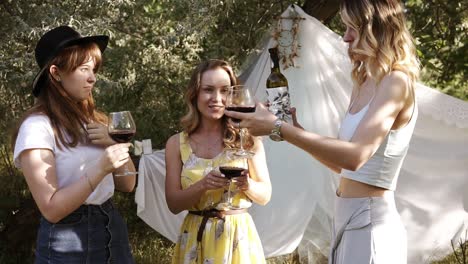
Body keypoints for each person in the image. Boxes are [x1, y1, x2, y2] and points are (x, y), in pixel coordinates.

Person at [225, 0, 419, 263]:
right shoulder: (363, 82)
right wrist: (296, 132)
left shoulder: (396, 82)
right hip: (346, 218)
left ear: (377, 30)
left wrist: (278, 128)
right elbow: (345, 167)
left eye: (353, 29)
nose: (346, 37)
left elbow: (356, 156)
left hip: (372, 224)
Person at [12, 26, 136, 263]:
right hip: (67, 238)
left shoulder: (95, 121)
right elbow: (51, 209)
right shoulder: (37, 127)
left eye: (94, 69)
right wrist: (101, 167)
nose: (93, 77)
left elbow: (128, 183)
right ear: (56, 73)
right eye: (84, 69)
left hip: (111, 227)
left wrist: (112, 143)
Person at [165, 59, 271, 263]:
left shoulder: (248, 139)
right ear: (195, 94)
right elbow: (173, 204)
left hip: (238, 240)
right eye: (208, 90)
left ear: (233, 95)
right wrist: (203, 185)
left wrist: (247, 185)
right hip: (195, 239)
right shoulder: (176, 143)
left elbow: (265, 195)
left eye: (225, 91)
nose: (217, 98)